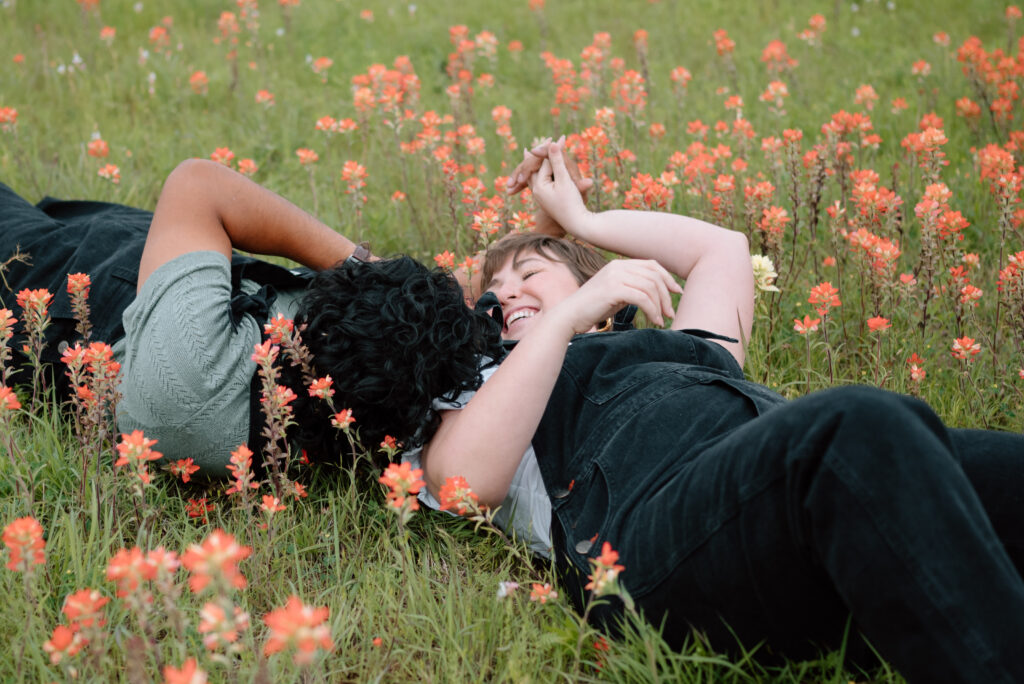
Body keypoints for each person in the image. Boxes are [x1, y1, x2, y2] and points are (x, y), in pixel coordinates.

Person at [315, 141, 1024, 683]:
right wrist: (559, 322)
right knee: (860, 427)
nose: (504, 295)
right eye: (491, 293)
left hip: (779, 496)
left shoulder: (677, 346)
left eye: (528, 274)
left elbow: (723, 250)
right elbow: (467, 484)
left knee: (978, 466)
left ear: (604, 291)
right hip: (648, 545)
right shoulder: (480, 387)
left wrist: (580, 221)